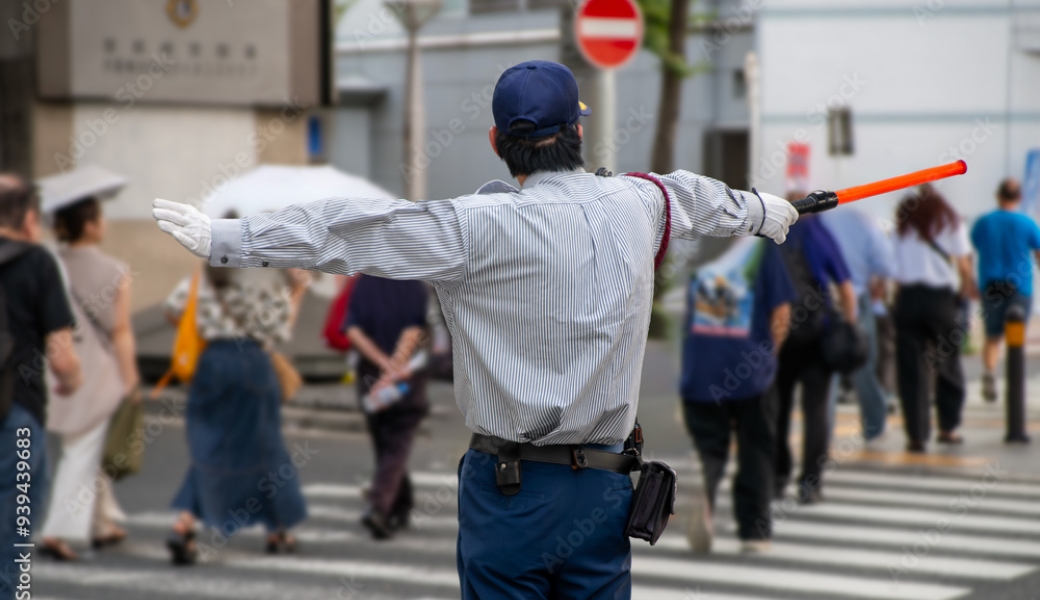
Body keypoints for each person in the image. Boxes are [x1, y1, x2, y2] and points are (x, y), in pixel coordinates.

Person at [152, 60, 799, 597]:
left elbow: (350, 229)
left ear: (496, 142)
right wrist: (767, 211)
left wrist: (226, 238)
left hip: (509, 491)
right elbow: (696, 195)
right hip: (604, 490)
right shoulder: (640, 204)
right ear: (578, 128)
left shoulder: (471, 227)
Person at [161, 263, 309, 564]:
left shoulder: (205, 273)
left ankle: (185, 522)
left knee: (210, 446)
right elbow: (281, 328)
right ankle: (276, 528)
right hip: (253, 363)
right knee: (265, 446)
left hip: (211, 361)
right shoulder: (266, 273)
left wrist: (203, 330)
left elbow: (172, 308)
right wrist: (298, 289)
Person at [40, 194, 140, 560]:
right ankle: (58, 531)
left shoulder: (46, 264)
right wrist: (132, 382)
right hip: (96, 371)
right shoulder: (115, 270)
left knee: (86, 445)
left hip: (51, 364)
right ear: (91, 224)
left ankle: (101, 523)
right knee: (80, 451)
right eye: (101, 216)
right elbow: (121, 332)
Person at [680, 238, 794, 555]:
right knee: (756, 449)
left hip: (703, 366)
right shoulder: (760, 249)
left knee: (709, 449)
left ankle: (703, 498)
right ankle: (754, 533)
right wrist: (769, 356)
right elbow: (781, 312)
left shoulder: (700, 246)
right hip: (749, 369)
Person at [0, 175, 82, 599]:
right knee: (13, 531)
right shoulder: (38, 262)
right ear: (30, 219)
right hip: (17, 412)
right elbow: (62, 354)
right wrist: (72, 380)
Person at [774, 195, 857, 505]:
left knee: (778, 410)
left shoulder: (775, 236)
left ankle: (778, 476)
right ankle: (810, 484)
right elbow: (847, 291)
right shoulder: (822, 237)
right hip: (817, 338)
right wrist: (848, 328)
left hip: (781, 340)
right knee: (817, 412)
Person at [345, 275, 429, 539]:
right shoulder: (416, 282)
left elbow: (352, 330)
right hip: (406, 377)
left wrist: (383, 367)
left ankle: (399, 506)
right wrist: (393, 368)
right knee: (396, 445)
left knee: (385, 443)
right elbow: (414, 330)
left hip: (372, 378)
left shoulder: (364, 282)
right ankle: (380, 507)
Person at [893, 186, 976, 452]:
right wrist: (964, 291)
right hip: (941, 300)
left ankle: (917, 435)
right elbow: (963, 266)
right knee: (948, 363)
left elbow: (892, 268)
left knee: (911, 369)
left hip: (908, 299)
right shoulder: (950, 222)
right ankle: (948, 428)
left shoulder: (903, 226)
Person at [820, 206, 896, 444]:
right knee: (864, 364)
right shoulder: (865, 220)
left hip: (823, 299)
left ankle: (823, 429)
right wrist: (879, 286)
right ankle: (874, 426)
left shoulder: (818, 220)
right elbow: (885, 263)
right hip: (858, 297)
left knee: (825, 370)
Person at [970, 178, 1040, 402]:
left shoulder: (984, 223)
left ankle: (990, 372)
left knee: (992, 335)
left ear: (998, 196)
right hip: (1019, 286)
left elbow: (974, 248)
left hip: (991, 283)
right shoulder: (1027, 223)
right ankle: (1015, 378)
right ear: (1019, 198)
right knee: (1015, 335)